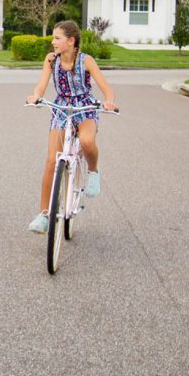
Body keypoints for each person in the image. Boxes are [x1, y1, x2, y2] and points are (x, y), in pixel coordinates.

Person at [25, 20, 116, 234]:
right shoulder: (50, 60)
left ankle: (93, 171)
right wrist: (35, 96)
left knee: (86, 141)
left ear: (71, 40)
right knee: (51, 161)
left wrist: (109, 101)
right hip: (61, 108)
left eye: (57, 38)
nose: (53, 42)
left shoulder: (86, 61)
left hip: (84, 108)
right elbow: (41, 85)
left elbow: (107, 90)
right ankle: (44, 214)